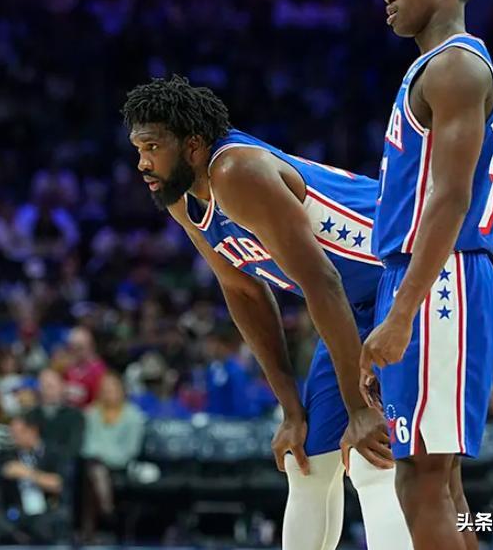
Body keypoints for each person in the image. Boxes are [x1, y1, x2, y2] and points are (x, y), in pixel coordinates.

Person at [122, 76, 410, 550]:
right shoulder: (182, 199)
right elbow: (244, 291)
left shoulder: (237, 170)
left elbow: (323, 282)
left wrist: (360, 409)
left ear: (192, 145)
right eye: (138, 149)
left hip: (402, 280)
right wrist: (291, 410)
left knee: (371, 458)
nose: (142, 163)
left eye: (152, 147)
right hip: (354, 302)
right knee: (306, 462)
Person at [357, 0, 493, 550]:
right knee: (440, 484)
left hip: (442, 279)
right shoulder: (435, 69)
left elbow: (451, 199)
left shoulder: (456, 68)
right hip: (423, 277)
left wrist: (401, 315)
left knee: (421, 479)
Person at [80, 372, 145, 543]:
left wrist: (105, 455)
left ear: (122, 391)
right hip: (94, 462)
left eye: (112, 389)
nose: (109, 393)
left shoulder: (133, 416)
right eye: (105, 390)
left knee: (95, 472)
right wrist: (102, 455)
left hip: (121, 464)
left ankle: (93, 527)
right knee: (94, 470)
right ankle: (106, 509)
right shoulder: (91, 413)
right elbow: (87, 445)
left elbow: (130, 450)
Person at [0, 415, 67, 545]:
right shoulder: (7, 455)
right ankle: (18, 537)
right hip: (16, 511)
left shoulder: (53, 453)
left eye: (18, 433)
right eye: (12, 434)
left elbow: (58, 484)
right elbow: (0, 473)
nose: (14, 438)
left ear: (32, 431)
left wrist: (27, 473)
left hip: (45, 511)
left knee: (53, 519)